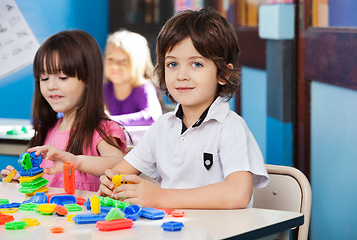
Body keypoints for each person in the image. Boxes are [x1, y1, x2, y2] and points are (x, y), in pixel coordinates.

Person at [98, 7, 269, 209]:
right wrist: (111, 184)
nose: (181, 75)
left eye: (196, 64)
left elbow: (237, 194)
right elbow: (120, 173)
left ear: (223, 74)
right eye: (172, 64)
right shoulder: (162, 127)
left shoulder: (230, 128)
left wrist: (159, 197)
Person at [1, 30, 126, 192]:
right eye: (44, 78)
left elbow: (120, 166)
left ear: (88, 79)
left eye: (63, 77)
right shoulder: (48, 129)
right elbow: (46, 188)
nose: (51, 85)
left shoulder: (102, 129)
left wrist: (77, 162)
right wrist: (25, 183)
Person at [103, 30, 162, 126]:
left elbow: (153, 116)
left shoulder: (143, 88)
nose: (115, 65)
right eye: (110, 59)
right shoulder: (103, 89)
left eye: (123, 60)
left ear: (138, 64)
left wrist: (112, 120)